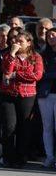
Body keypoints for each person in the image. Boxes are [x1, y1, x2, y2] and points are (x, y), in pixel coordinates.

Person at [0, 31, 43, 168]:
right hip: (8, 93)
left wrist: (16, 75)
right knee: (9, 126)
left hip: (27, 95)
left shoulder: (36, 57)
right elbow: (6, 71)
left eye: (20, 41)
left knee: (24, 126)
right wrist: (12, 55)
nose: (16, 43)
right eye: (15, 40)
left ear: (29, 43)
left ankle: (21, 156)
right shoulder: (9, 55)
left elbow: (36, 75)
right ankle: (8, 157)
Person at [38, 27, 56, 168]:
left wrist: (49, 74)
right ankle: (50, 156)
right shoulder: (43, 55)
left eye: (54, 35)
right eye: (49, 35)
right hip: (46, 94)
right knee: (47, 126)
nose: (51, 37)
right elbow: (40, 74)